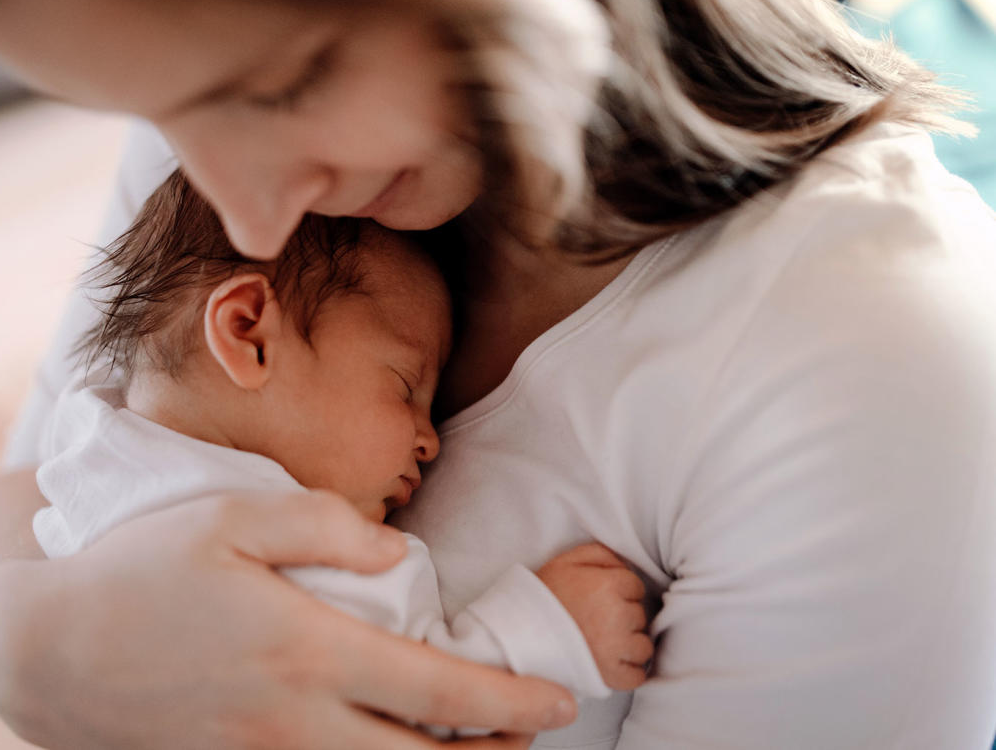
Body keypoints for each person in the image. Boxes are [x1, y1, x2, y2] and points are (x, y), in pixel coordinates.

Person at [0, 0, 996, 748]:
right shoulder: (244, 179)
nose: (246, 210)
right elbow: (36, 481)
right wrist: (18, 640)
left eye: (282, 82)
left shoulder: (875, 355)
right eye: (153, 107)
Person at [33, 169, 652, 726]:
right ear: (248, 335)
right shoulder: (289, 540)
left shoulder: (90, 450)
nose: (430, 440)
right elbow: (404, 706)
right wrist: (546, 632)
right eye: (406, 387)